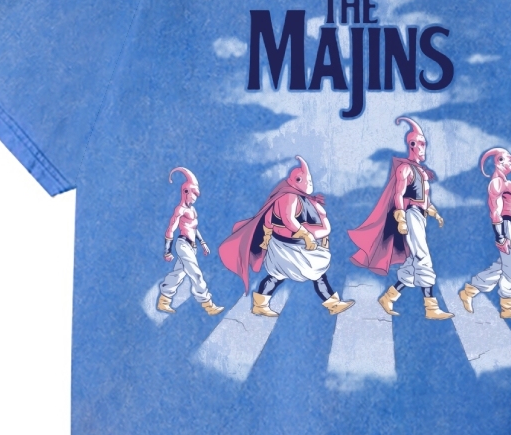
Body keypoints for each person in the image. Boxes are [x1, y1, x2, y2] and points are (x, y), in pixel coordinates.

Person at [218, 156, 354, 317]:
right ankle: (332, 304)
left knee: (280, 275)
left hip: (288, 245)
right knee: (312, 273)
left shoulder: (293, 195)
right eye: (308, 180)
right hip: (288, 246)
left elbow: (272, 219)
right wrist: (306, 235)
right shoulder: (289, 196)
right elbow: (288, 220)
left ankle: (260, 304)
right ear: (298, 180)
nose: (310, 183)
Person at [348, 116, 453, 320]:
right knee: (423, 258)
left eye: (424, 144)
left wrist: (435, 213)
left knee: (412, 262)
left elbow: (423, 199)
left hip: (420, 216)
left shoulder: (421, 172)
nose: (423, 148)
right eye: (420, 144)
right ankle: (431, 307)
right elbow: (398, 195)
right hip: (410, 215)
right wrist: (402, 219)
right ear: (412, 145)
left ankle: (388, 297)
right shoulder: (405, 169)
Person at [458, 148, 511, 319]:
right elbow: (495, 211)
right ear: (499, 161)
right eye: (509, 158)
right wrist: (500, 237)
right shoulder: (497, 183)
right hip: (506, 227)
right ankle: (508, 307)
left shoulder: (505, 183)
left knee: (502, 266)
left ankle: (469, 291)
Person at [157, 167, 224, 316]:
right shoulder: (180, 210)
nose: (194, 198)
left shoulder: (192, 210)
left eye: (196, 195)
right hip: (183, 244)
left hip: (192, 247)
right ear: (185, 192)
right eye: (193, 194)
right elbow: (171, 229)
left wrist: (203, 243)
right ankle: (208, 304)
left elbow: (194, 228)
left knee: (177, 274)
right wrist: (167, 250)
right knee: (196, 274)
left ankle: (164, 301)